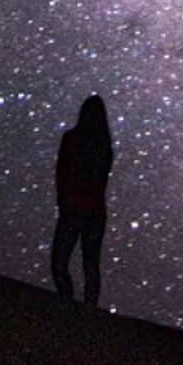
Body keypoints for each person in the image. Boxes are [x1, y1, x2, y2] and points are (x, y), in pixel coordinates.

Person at [50, 94, 114, 309]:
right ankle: (87, 310)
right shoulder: (104, 146)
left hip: (74, 209)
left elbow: (61, 174)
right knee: (90, 264)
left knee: (61, 262)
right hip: (93, 211)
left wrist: (63, 202)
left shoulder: (73, 139)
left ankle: (68, 304)